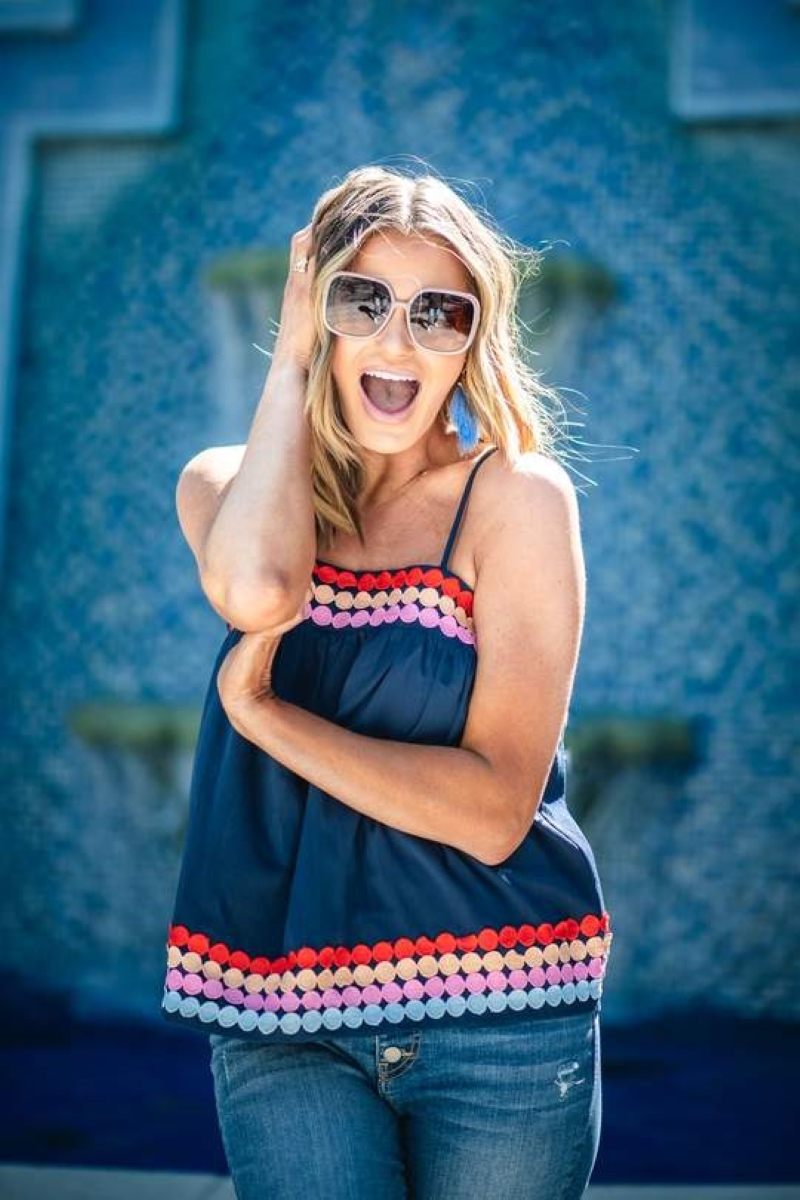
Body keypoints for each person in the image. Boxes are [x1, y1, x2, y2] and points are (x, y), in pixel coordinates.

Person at [161, 164, 613, 1199]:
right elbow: (255, 588)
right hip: (283, 1013)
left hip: (497, 1014)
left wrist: (266, 718)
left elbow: (495, 810)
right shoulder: (221, 485)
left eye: (435, 312)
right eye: (361, 301)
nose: (396, 341)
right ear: (314, 310)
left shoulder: (515, 500)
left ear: (471, 337)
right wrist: (292, 366)